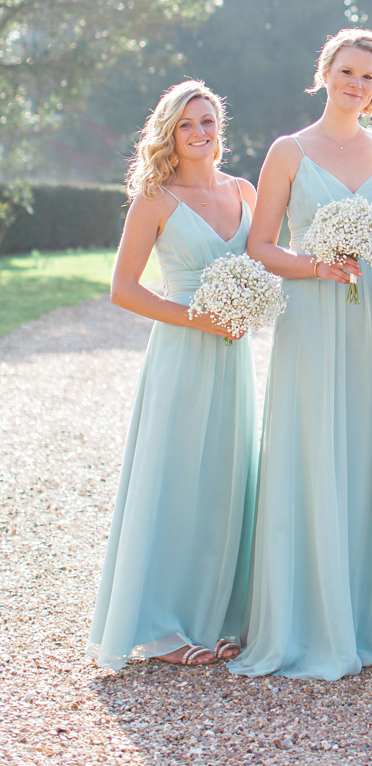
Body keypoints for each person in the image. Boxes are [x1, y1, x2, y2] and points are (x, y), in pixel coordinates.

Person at [231, 29, 372, 680]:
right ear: (325, 71)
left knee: (363, 451)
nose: (356, 85)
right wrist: (314, 266)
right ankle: (304, 620)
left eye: (368, 77)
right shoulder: (289, 151)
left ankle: (360, 617)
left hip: (369, 325)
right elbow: (260, 245)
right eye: (347, 72)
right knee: (310, 448)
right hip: (309, 317)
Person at [88, 81, 258, 670]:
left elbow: (264, 267)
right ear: (170, 132)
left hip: (234, 355)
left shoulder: (245, 191)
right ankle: (161, 626)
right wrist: (199, 318)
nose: (199, 133)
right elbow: (123, 290)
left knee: (226, 479)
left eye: (207, 121)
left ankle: (217, 616)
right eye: (186, 124)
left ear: (220, 125)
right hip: (184, 353)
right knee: (176, 479)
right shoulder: (156, 200)